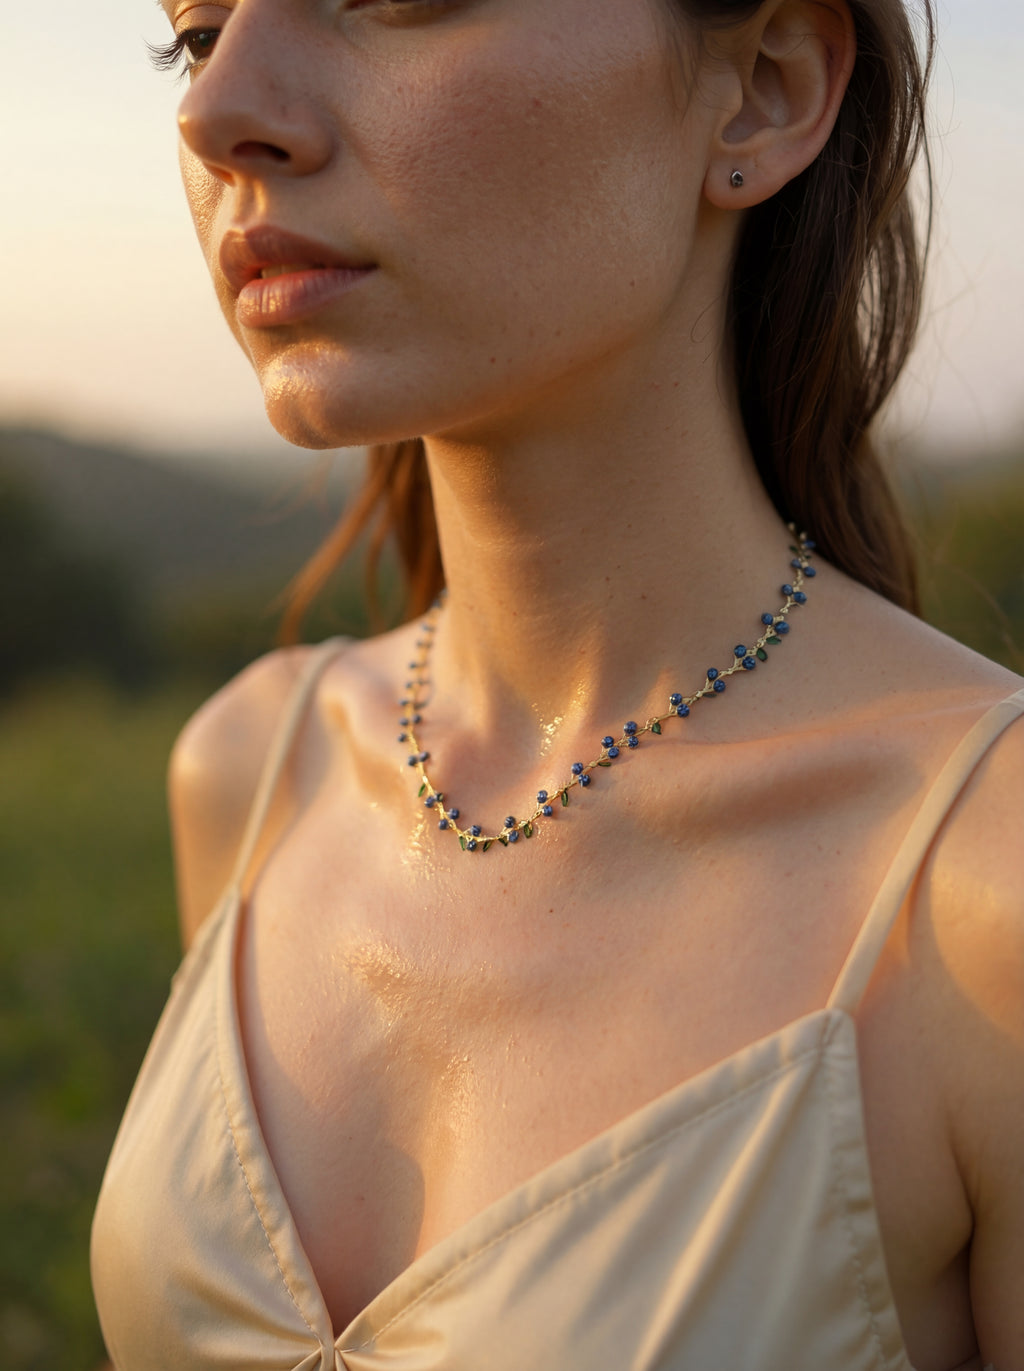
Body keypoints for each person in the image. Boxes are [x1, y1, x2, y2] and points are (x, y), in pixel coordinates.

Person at [91, 0, 1023, 1367]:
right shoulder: (250, 773)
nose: (214, 109)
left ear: (764, 89)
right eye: (198, 30)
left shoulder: (985, 888)